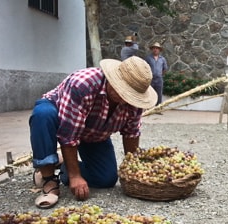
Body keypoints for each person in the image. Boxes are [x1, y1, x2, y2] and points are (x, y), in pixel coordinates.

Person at [30, 56, 157, 208]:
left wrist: (135, 168)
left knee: (106, 178)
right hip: (63, 118)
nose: (126, 100)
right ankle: (47, 176)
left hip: (94, 131)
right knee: (42, 115)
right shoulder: (83, 85)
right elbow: (69, 135)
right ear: (113, 80)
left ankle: (60, 163)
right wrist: (75, 176)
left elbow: (131, 133)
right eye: (124, 93)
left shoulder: (135, 101)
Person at [145, 42, 168, 106]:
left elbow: (165, 68)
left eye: (157, 48)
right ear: (152, 49)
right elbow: (145, 67)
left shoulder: (162, 59)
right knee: (149, 93)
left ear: (159, 50)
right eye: (154, 48)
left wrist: (160, 75)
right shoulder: (148, 58)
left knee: (159, 94)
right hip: (150, 79)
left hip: (159, 79)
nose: (155, 49)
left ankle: (158, 108)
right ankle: (148, 108)